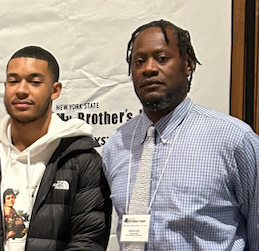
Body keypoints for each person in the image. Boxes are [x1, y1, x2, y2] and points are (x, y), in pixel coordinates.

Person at [102, 19, 259, 250]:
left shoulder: (233, 139)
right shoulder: (117, 145)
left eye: (162, 58)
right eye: (139, 61)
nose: (149, 68)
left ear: (188, 64)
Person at [0, 46, 112, 251]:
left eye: (35, 82)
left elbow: (88, 241)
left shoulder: (82, 160)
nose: (21, 90)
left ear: (55, 90)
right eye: (13, 81)